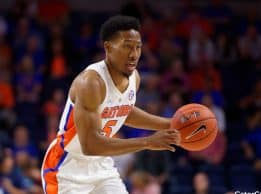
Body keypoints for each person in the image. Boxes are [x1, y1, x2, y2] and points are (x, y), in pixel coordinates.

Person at [41, 15, 181, 194]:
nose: (134, 54)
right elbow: (90, 145)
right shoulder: (91, 83)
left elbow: (124, 112)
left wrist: (171, 123)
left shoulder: (134, 77)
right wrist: (148, 142)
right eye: (127, 46)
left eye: (138, 47)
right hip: (67, 167)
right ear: (108, 47)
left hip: (101, 165)